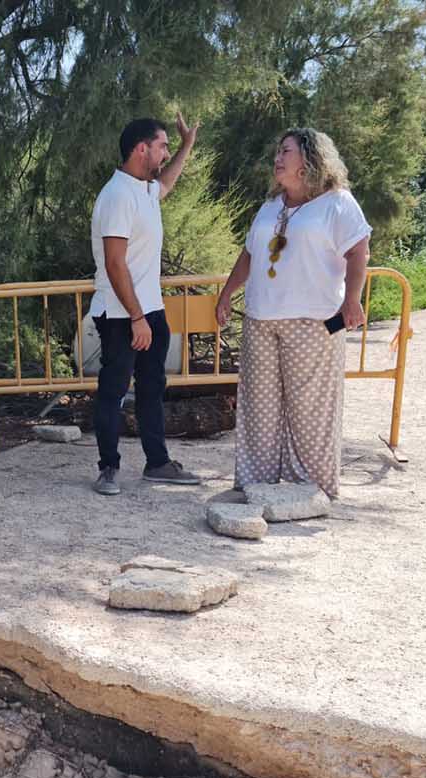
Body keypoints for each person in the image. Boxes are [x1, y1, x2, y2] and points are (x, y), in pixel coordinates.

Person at [215, 127, 370, 499]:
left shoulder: (337, 202)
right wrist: (227, 293)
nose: (277, 158)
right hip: (261, 317)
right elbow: (250, 253)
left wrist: (352, 299)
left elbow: (358, 250)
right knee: (259, 406)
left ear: (310, 159)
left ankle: (311, 487)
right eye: (277, 151)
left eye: (286, 151)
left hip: (313, 320)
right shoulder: (270, 206)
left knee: (310, 407)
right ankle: (257, 482)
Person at [89, 115, 201, 495]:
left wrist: (187, 144)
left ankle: (158, 463)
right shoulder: (117, 195)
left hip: (149, 310)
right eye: (162, 146)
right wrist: (137, 317)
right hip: (122, 314)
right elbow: (114, 263)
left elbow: (167, 180)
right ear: (142, 149)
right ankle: (108, 467)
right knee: (114, 390)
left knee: (153, 388)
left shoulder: (145, 189)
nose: (165, 153)